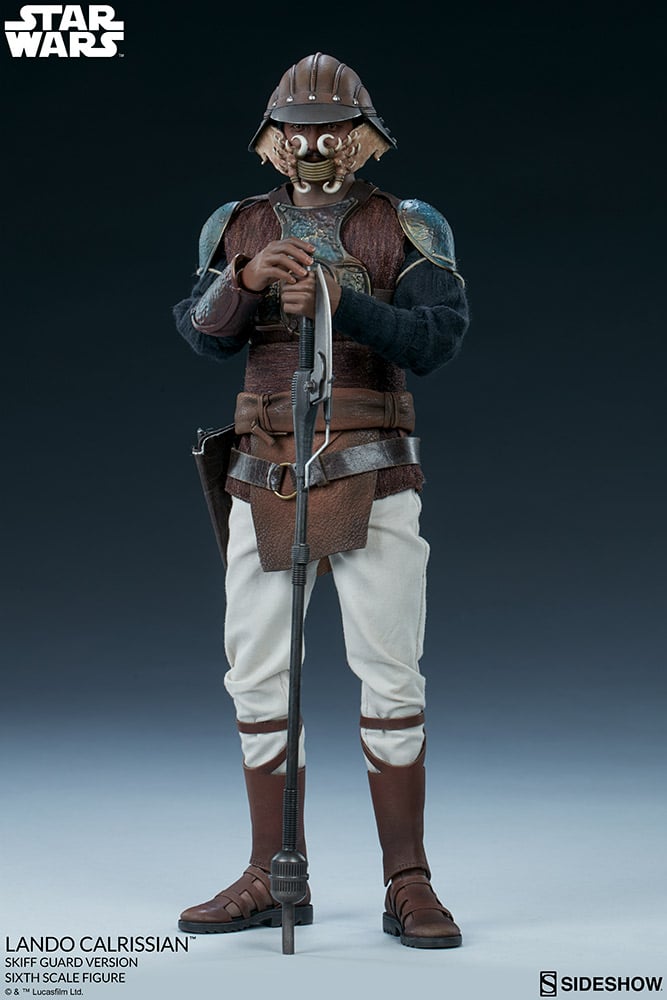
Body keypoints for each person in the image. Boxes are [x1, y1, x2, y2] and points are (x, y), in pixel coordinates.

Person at [173, 52, 469, 949]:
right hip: (264, 469)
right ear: (272, 139)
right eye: (297, 131)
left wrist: (343, 299)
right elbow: (200, 333)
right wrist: (243, 282)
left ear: (360, 137)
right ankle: (272, 872)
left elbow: (436, 339)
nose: (312, 146)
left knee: (390, 671)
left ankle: (407, 877)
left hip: (373, 470)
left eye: (329, 130)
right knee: (256, 673)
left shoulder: (403, 225)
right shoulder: (238, 225)